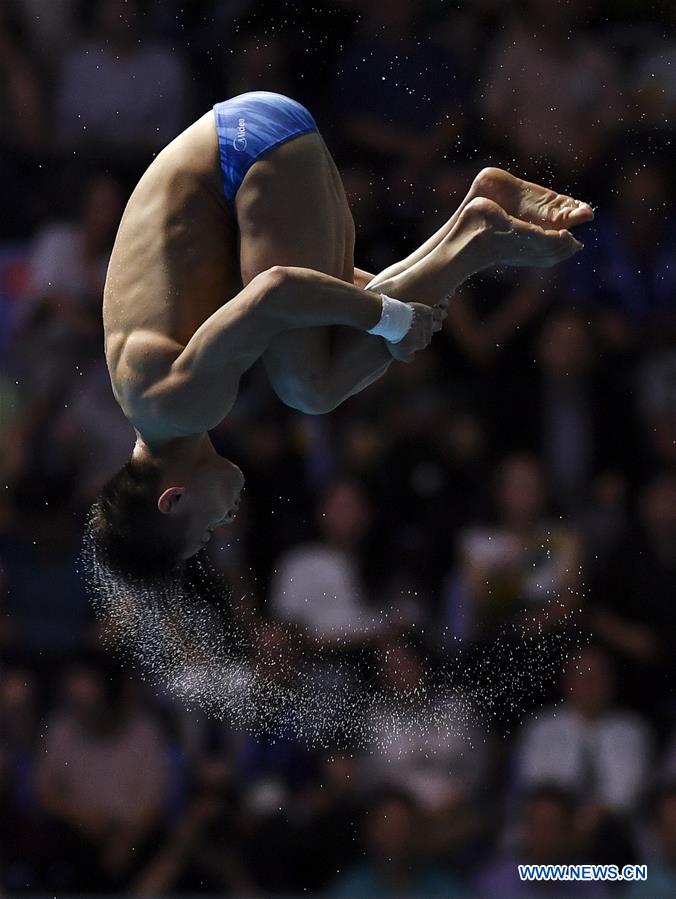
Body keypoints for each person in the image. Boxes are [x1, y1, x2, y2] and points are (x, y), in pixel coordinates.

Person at [88, 89, 592, 584]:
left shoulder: (178, 407)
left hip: (246, 150)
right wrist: (392, 304)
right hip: (247, 142)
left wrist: (389, 319)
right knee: (324, 351)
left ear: (173, 499)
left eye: (204, 533)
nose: (224, 526)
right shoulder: (146, 398)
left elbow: (275, 288)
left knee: (307, 386)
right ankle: (475, 217)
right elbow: (283, 285)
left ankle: (476, 242)